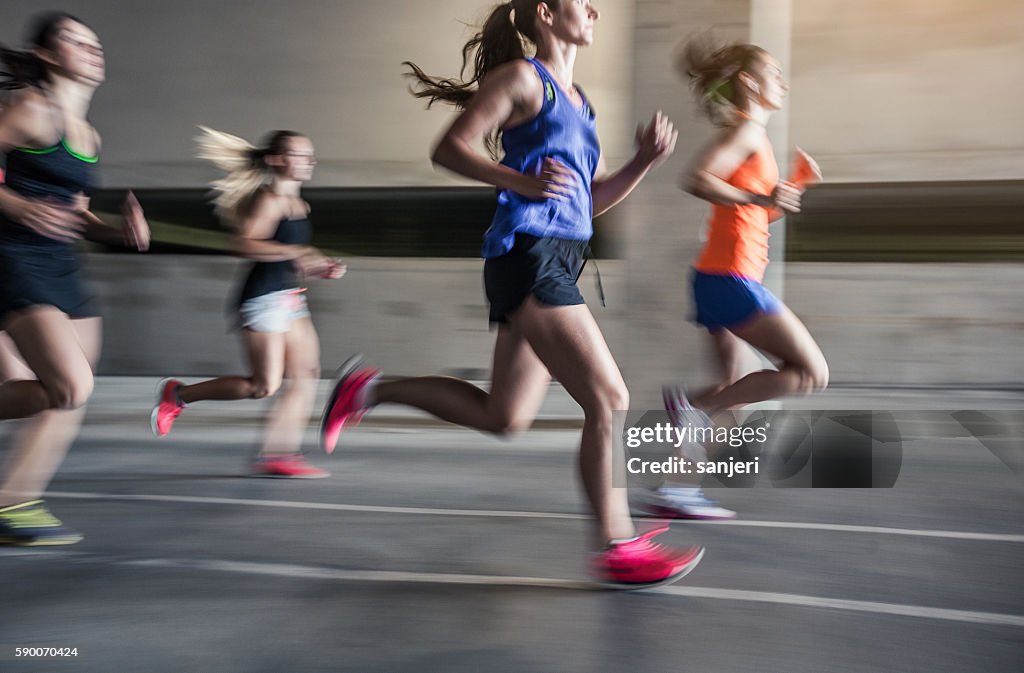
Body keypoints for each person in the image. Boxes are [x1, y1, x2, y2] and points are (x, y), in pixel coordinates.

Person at [321, 0, 703, 588]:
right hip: (529, 255)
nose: (596, 9)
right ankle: (616, 544)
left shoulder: (582, 103)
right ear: (547, 14)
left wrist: (643, 164)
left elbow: (584, 203)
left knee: (505, 416)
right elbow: (450, 148)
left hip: (561, 255)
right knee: (610, 398)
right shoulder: (524, 79)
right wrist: (519, 181)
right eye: (583, 2)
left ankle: (367, 388)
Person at [650, 37, 828, 519]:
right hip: (730, 279)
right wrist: (758, 199)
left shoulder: (756, 139)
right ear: (750, 82)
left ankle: (677, 487)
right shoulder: (748, 132)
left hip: (720, 274)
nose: (784, 83)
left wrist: (789, 191)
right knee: (810, 373)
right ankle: (694, 406)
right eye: (775, 74)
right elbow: (696, 179)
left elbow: (751, 216)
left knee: (736, 389)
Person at [0, 12, 150, 545]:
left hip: (64, 267)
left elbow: (77, 213)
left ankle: (15, 504)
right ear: (45, 54)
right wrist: (18, 206)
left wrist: (117, 233)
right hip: (14, 258)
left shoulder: (88, 134)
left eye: (96, 42)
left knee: (65, 397)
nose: (93, 49)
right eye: (76, 41)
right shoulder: (30, 110)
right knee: (70, 387)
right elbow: (25, 203)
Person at [150, 127, 344, 479]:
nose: (309, 161)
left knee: (306, 375)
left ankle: (280, 453)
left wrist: (320, 265)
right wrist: (295, 253)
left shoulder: (300, 204)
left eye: (309, 155)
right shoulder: (269, 200)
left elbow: (291, 254)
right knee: (262, 386)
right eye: (301, 154)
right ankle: (178, 395)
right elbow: (242, 244)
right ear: (276, 159)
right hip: (262, 299)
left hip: (289, 297)